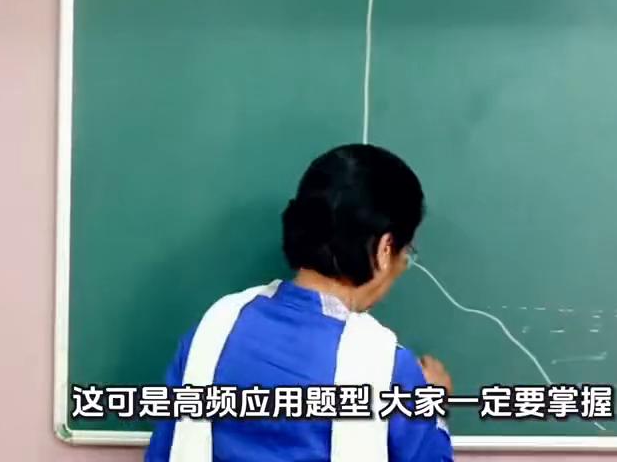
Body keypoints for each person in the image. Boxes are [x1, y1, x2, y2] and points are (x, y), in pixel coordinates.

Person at [145, 143, 454, 462]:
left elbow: (164, 453)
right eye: (406, 253)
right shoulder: (386, 369)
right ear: (384, 249)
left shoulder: (211, 331)